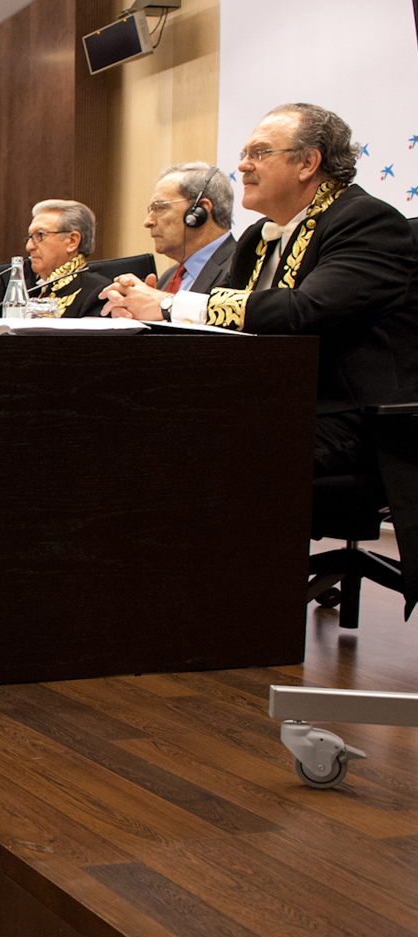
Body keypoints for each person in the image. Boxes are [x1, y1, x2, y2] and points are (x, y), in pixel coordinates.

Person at [101, 103, 418, 610]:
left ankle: (217, 611)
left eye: (259, 153)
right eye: (243, 153)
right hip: (279, 404)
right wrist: (146, 314)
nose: (242, 165)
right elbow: (212, 322)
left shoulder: (366, 221)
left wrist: (170, 303)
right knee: (139, 423)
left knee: (191, 443)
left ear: (308, 162)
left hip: (354, 419)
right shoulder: (258, 237)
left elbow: (306, 310)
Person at [145, 162, 237, 294]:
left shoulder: (239, 269)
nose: (148, 222)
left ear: (199, 211)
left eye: (160, 208)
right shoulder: (169, 277)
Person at [26, 199, 112, 317]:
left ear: (72, 241)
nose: (29, 246)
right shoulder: (29, 290)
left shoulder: (98, 293)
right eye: (30, 237)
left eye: (40, 235)